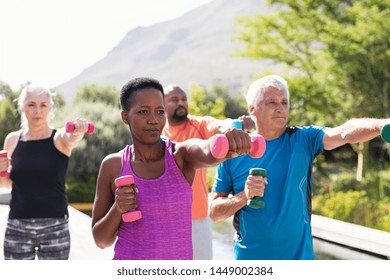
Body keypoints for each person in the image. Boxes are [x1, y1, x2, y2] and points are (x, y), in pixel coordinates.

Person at [209, 74, 390, 260]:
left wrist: (380, 125)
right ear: (252, 109)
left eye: (284, 103)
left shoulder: (303, 139)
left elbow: (344, 132)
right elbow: (214, 212)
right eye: (272, 102)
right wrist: (243, 196)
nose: (280, 108)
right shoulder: (234, 152)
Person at [91, 77, 253, 260]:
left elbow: (207, 150)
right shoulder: (112, 165)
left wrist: (228, 144)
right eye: (143, 111)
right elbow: (101, 241)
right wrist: (118, 209)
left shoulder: (181, 155)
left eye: (160, 112)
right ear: (125, 116)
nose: (153, 120)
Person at [162, 84, 254, 260]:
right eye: (174, 100)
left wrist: (235, 125)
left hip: (196, 217)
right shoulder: (157, 131)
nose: (181, 103)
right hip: (163, 218)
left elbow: (219, 125)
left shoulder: (198, 124)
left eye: (183, 99)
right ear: (162, 104)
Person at [0, 84, 90, 260]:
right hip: (18, 224)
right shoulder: (12, 140)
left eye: (43, 105)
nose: (37, 111)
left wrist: (79, 131)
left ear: (50, 108)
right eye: (31, 104)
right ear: (21, 107)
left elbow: (71, 138)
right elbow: (7, 184)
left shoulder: (58, 138)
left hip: (55, 226)